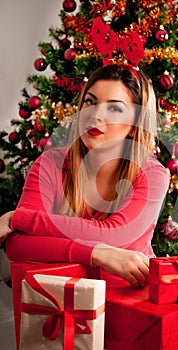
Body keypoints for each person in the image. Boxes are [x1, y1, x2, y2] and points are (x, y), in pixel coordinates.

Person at [0, 64, 169, 287]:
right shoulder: (51, 164)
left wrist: (17, 218)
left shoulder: (152, 175)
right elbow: (17, 247)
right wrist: (96, 254)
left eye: (115, 108)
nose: (96, 115)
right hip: (63, 301)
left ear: (135, 125)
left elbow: (114, 236)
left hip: (130, 303)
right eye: (90, 102)